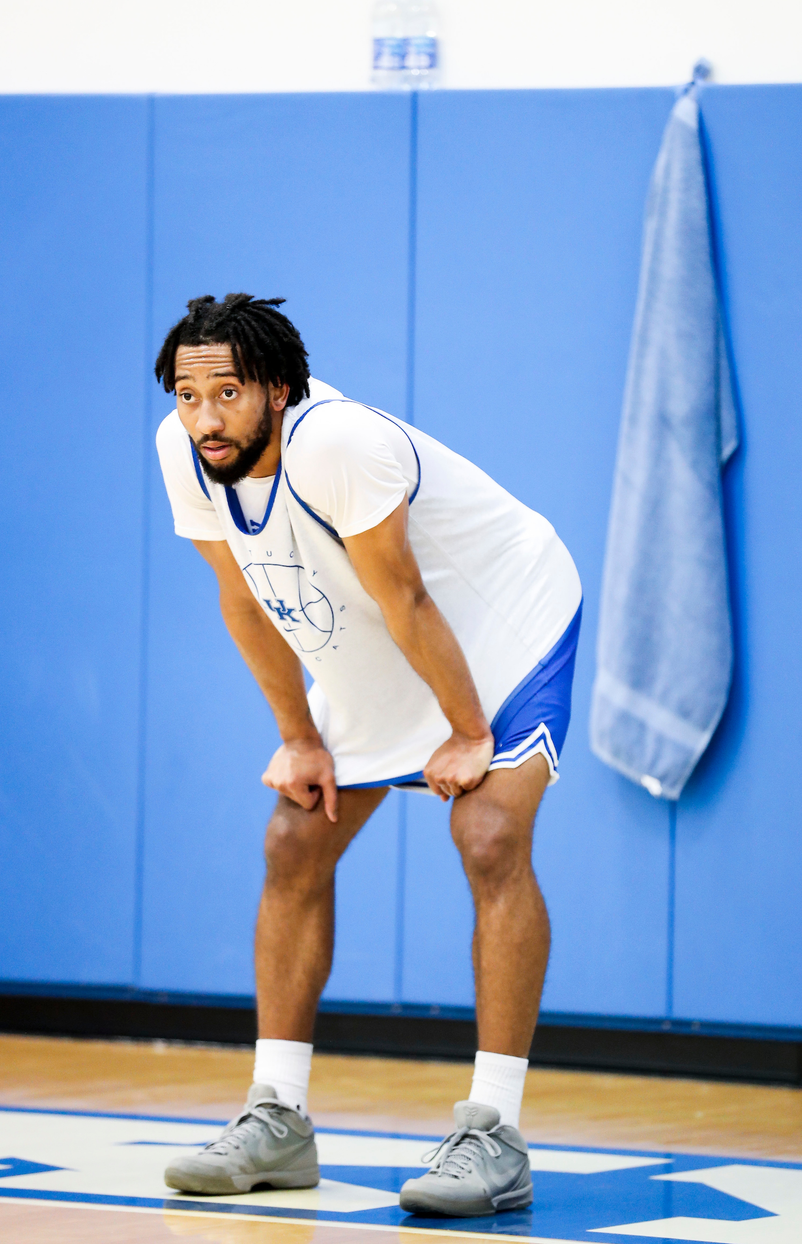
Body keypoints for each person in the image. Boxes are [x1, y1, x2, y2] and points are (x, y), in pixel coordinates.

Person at [155, 293, 581, 1219]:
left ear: (277, 389)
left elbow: (411, 598)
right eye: (187, 396)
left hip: (496, 616)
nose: (205, 417)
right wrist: (298, 739)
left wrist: (467, 732)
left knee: (487, 834)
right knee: (293, 840)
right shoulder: (185, 452)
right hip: (383, 627)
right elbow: (243, 599)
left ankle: (494, 1133)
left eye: (227, 393)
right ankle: (276, 1118)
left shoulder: (337, 444)